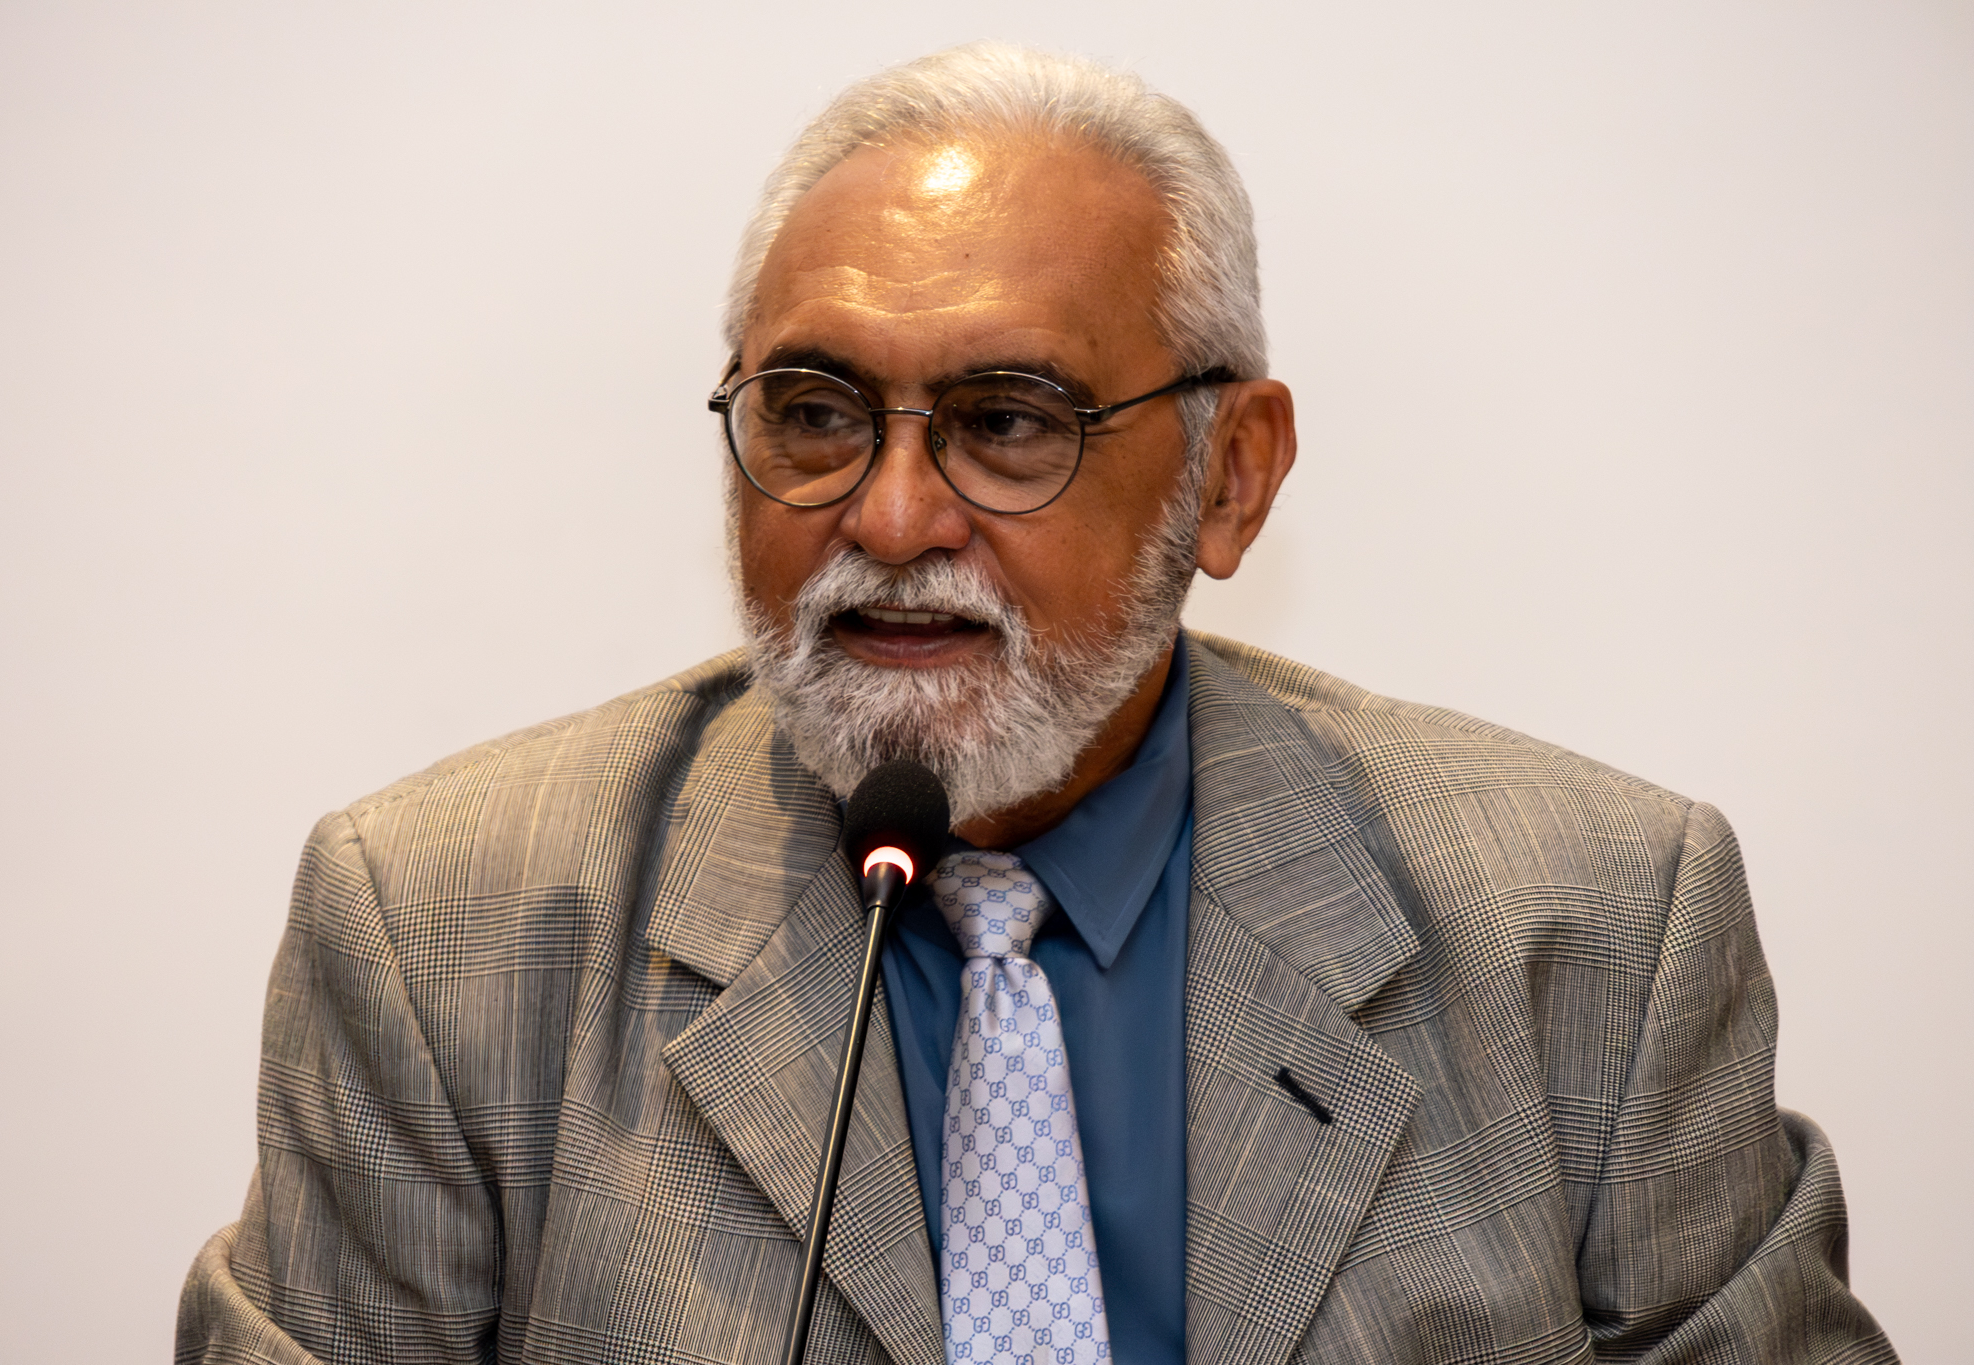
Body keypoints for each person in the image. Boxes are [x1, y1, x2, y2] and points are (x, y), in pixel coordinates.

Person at [177, 42, 1896, 1365]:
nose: (890, 518)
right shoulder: (442, 937)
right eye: (814, 412)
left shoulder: (1592, 931)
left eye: (1008, 423)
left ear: (1232, 476)